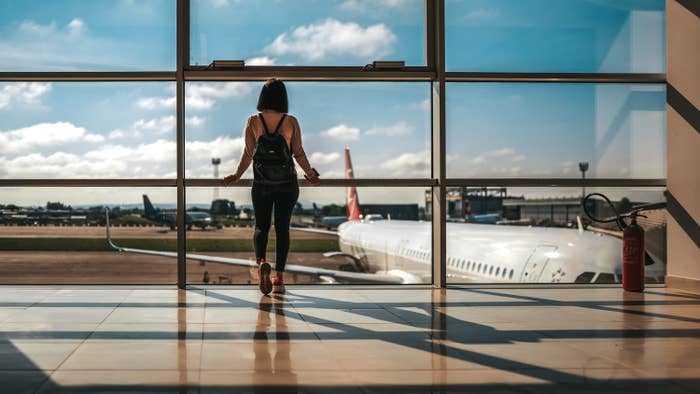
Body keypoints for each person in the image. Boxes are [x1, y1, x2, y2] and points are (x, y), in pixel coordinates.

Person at [222, 78, 320, 295]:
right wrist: (311, 173)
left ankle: (261, 263)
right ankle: (279, 279)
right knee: (283, 229)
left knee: (261, 227)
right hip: (287, 183)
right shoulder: (291, 121)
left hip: (262, 183)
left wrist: (237, 175)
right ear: (283, 97)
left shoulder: (253, 121)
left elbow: (248, 154)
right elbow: (298, 152)